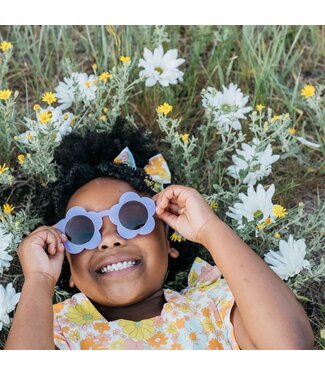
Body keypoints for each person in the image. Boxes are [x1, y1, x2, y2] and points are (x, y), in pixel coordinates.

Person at [4, 118, 314, 350]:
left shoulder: (212, 306)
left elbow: (290, 346)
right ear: (68, 268)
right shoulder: (52, 328)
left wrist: (209, 229)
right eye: (82, 230)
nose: (110, 239)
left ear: (169, 242)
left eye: (133, 217)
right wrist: (39, 281)